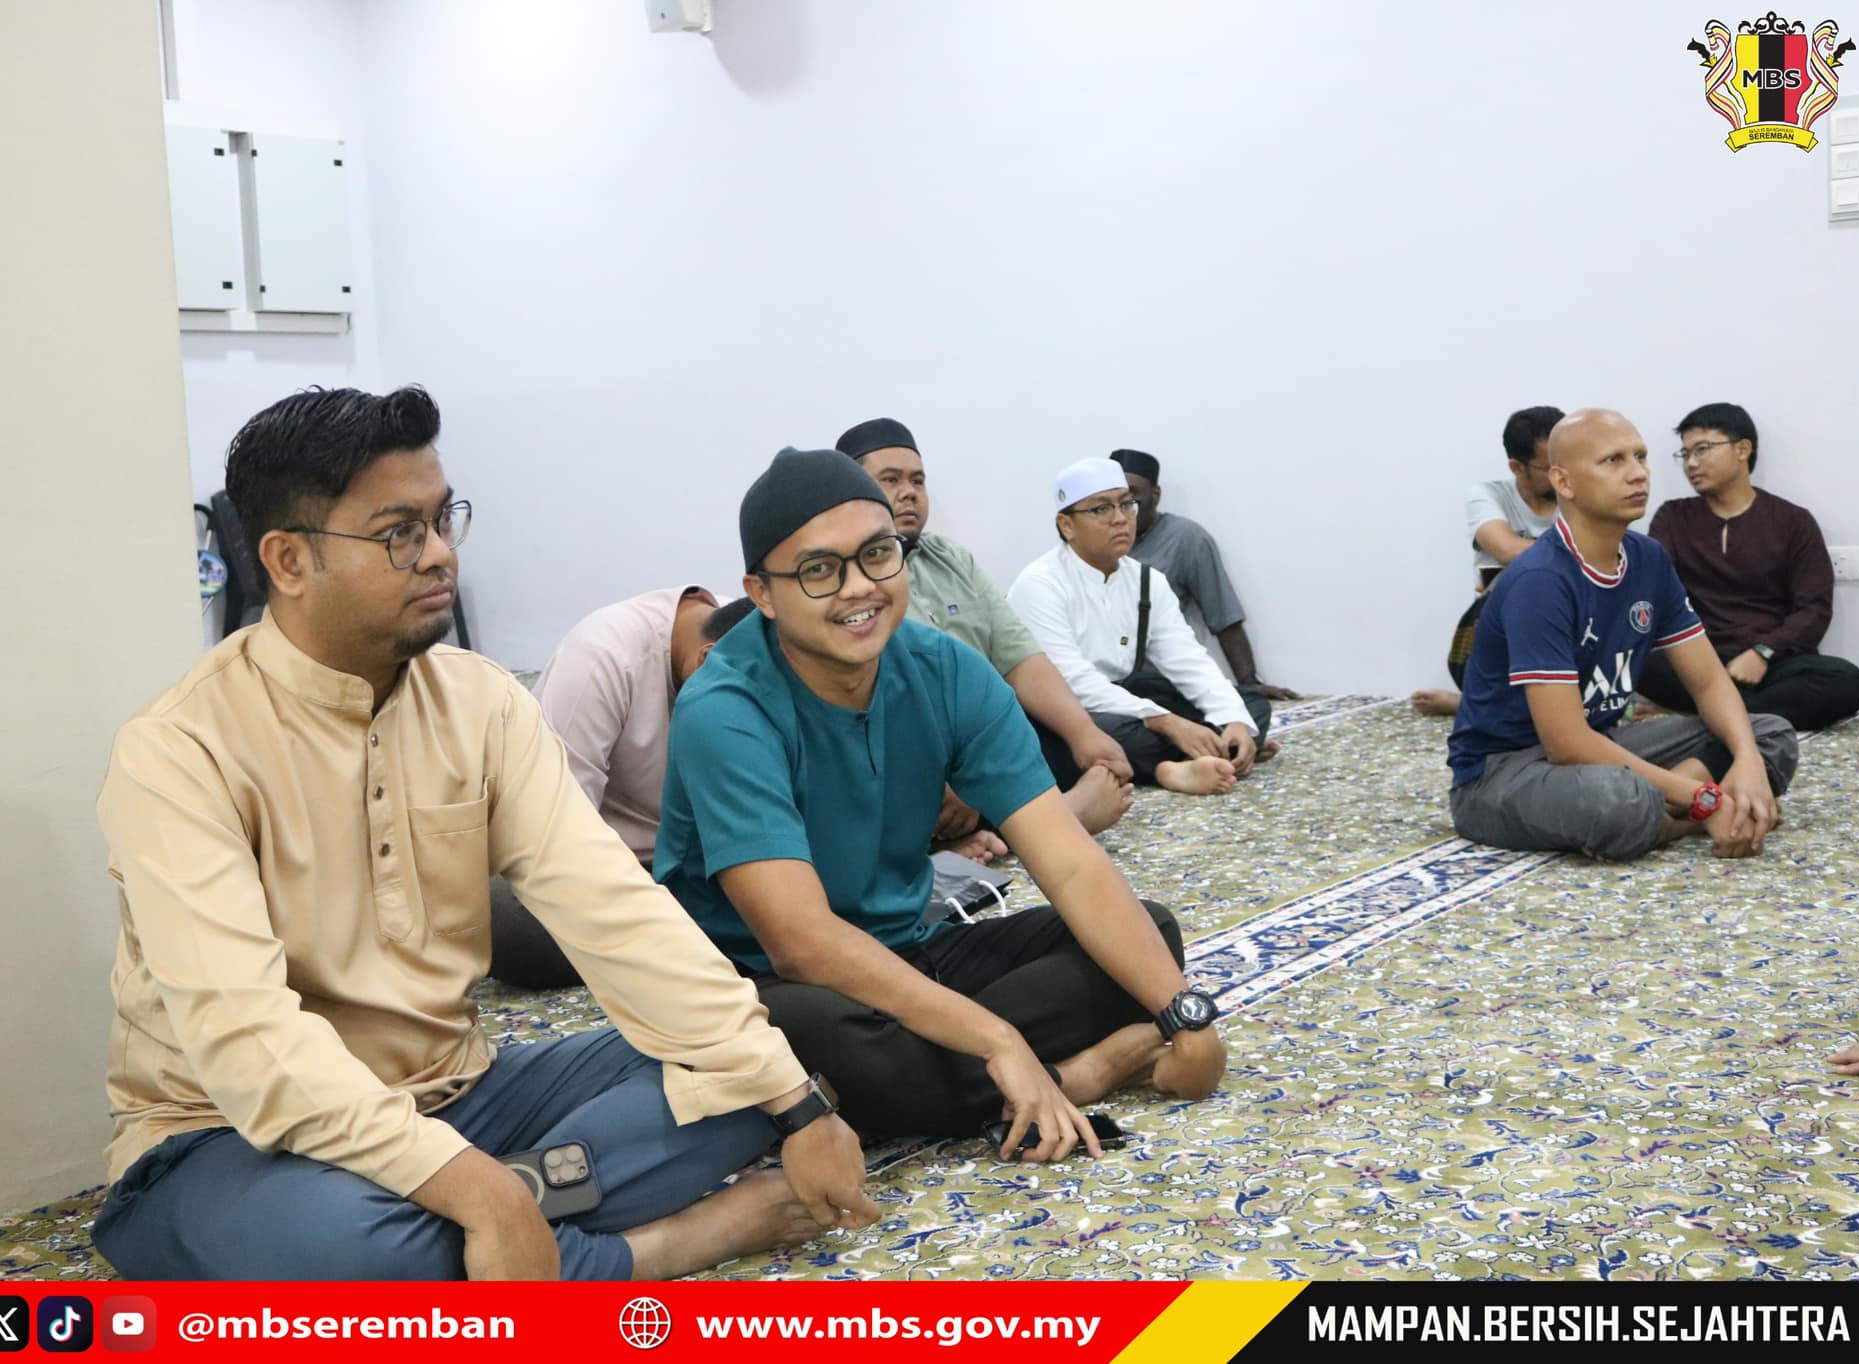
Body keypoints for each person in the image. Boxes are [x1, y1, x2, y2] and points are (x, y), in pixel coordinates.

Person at [91, 388, 874, 1282]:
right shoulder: (180, 751)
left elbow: (617, 912)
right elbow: (247, 1040)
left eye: (442, 519)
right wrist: (479, 1191)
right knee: (341, 1254)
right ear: (290, 560)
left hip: (462, 1094)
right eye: (399, 533)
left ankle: (486, 1242)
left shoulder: (482, 702)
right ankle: (648, 1249)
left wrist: (793, 1103)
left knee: (754, 1065)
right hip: (228, 1136)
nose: (439, 554)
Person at [657, 448, 1228, 1161]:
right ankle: (1077, 1073)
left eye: (877, 555)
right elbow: (800, 943)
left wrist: (1185, 1015)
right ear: (762, 593)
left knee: (1149, 935)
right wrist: (997, 1038)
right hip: (761, 981)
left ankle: (956, 1078)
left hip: (907, 951)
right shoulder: (725, 708)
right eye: (818, 570)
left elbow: (1071, 863)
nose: (859, 588)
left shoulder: (944, 668)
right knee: (830, 1044)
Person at [1446, 408, 1799, 862]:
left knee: (1768, 734)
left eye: (1641, 456)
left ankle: (1672, 807)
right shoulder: (1540, 580)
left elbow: (1710, 682)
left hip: (1602, 745)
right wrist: (1704, 800)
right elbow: (1567, 744)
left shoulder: (1648, 558)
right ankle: (1691, 810)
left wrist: (1747, 761)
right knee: (1620, 800)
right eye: (1613, 460)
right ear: (1564, 482)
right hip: (1503, 774)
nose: (1638, 473)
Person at [835, 417, 1133, 839]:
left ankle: (1017, 821)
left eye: (918, 481)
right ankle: (1055, 822)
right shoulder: (849, 579)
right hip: (908, 752)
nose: (909, 492)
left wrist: (1084, 735)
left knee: (1099, 736)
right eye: (891, 480)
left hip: (986, 738)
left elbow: (1019, 657)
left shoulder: (951, 558)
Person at [489, 590, 755, 988]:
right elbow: (550, 835)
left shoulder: (759, 641)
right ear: (706, 661)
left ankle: (696, 943)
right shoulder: (601, 656)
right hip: (615, 871)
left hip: (726, 863)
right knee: (507, 918)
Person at [1006, 458, 1269, 796]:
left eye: (1126, 504)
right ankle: (1172, 766)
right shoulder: (1039, 584)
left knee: (1252, 705)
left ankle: (1209, 751)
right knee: (1088, 733)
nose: (1120, 519)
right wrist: (1167, 722)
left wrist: (1234, 719)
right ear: (1066, 525)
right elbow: (1071, 682)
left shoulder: (1147, 580)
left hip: (1131, 699)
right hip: (1071, 710)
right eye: (1101, 509)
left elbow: (1187, 658)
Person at [1639, 402, 1859, 732]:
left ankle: (1710, 717)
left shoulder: (1793, 521)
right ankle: (1743, 716)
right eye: (1685, 454)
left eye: (1702, 449)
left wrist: (1763, 653)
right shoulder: (1672, 517)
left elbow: (1813, 609)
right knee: (1639, 661)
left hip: (1775, 663)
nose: (1691, 463)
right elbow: (1653, 591)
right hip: (1700, 659)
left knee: (1847, 680)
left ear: (1742, 449)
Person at [1109, 448, 1297, 701]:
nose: (1122, 509)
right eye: (1113, 499)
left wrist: (1249, 682)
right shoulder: (1093, 538)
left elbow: (1223, 616)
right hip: (1099, 680)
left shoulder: (1186, 539)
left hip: (1159, 685)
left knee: (1250, 712)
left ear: (1156, 495)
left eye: (1132, 496)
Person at [1411, 406, 1563, 716]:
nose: (1563, 475)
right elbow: (1506, 549)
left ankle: (1470, 705)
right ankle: (1477, 703)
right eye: (1549, 467)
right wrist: (1575, 554)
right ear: (1517, 467)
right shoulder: (1488, 495)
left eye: (1569, 461)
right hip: (1504, 626)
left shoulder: (1580, 492)